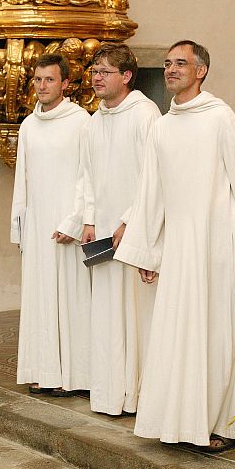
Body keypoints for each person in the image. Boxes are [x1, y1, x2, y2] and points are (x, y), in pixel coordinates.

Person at [114, 40, 235, 450]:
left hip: (218, 242)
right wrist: (148, 250)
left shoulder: (221, 118)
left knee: (217, 330)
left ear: (201, 71)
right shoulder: (162, 126)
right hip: (180, 245)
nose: (170, 70)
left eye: (180, 64)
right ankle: (181, 421)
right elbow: (152, 192)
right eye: (166, 64)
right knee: (177, 331)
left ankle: (221, 422)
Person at [77, 43, 161, 416]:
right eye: (94, 71)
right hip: (104, 233)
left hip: (136, 228)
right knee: (108, 312)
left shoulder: (145, 115)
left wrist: (129, 219)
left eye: (104, 72)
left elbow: (152, 176)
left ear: (126, 77)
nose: (96, 78)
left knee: (137, 314)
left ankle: (141, 394)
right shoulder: (95, 120)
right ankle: (112, 391)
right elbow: (89, 175)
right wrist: (91, 218)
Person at [10, 53, 92, 397]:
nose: (42, 86)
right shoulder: (29, 125)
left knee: (70, 299)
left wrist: (74, 220)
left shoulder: (81, 121)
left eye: (49, 79)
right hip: (37, 223)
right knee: (40, 299)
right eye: (38, 80)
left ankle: (74, 375)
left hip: (66, 225)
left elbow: (88, 174)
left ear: (65, 84)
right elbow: (22, 179)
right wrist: (19, 226)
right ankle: (43, 370)